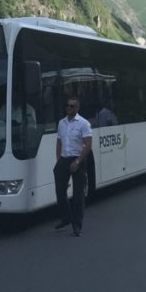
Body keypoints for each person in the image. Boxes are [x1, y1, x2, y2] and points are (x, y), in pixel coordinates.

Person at [54, 96, 92, 237]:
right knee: (60, 190)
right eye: (67, 106)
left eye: (72, 106)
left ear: (77, 108)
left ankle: (77, 225)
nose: (68, 108)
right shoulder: (61, 123)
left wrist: (77, 161)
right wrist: (58, 159)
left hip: (78, 158)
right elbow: (59, 141)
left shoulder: (83, 124)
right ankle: (66, 217)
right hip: (64, 158)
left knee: (78, 194)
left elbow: (88, 145)